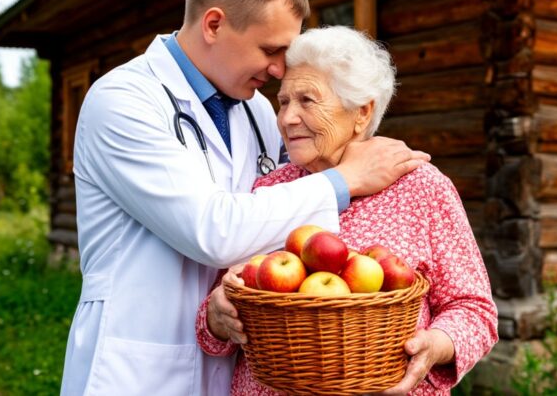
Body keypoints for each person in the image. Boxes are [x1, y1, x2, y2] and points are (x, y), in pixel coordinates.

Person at [59, 0, 429, 396]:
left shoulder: (257, 111)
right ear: (214, 24)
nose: (278, 71)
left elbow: (285, 207)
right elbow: (214, 231)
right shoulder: (123, 101)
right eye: (270, 50)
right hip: (139, 366)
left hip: (236, 363)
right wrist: (346, 179)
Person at [197, 26, 498, 395]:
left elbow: (474, 310)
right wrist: (217, 316)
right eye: (283, 102)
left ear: (362, 111)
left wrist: (436, 344)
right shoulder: (269, 189)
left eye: (307, 100)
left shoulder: (422, 188)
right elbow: (216, 312)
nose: (287, 118)